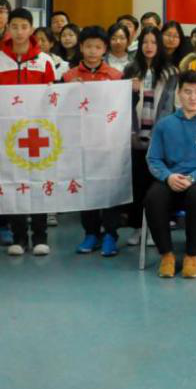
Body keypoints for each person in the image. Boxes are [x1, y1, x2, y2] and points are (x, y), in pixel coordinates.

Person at [0, 8, 57, 256]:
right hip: (8, 134)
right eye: (14, 26)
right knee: (13, 182)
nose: (19, 31)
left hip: (37, 133)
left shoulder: (44, 60)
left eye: (24, 26)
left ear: (31, 29)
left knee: (37, 183)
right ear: (8, 29)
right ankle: (18, 237)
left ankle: (40, 236)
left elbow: (52, 97)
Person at [145, 70, 196, 279]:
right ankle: (167, 255)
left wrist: (195, 177)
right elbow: (153, 158)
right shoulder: (165, 124)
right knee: (153, 198)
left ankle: (192, 255)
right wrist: (168, 177)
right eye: (187, 92)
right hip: (171, 178)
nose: (193, 97)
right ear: (179, 94)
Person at [63, 26, 126, 256]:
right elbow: (59, 108)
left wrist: (132, 91)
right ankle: (91, 233)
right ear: (80, 47)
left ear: (105, 49)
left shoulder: (116, 76)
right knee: (85, 186)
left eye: (97, 47)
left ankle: (110, 233)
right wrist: (64, 90)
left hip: (108, 142)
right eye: (88, 46)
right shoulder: (68, 76)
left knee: (109, 187)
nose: (92, 51)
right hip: (80, 142)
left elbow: (124, 108)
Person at [121, 26, 178, 248]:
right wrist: (132, 91)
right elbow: (121, 104)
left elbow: (170, 105)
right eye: (145, 42)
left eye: (154, 42)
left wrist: (160, 134)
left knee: (158, 186)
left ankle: (155, 229)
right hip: (134, 136)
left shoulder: (170, 72)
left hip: (159, 137)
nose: (149, 46)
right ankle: (137, 227)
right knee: (137, 185)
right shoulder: (130, 69)